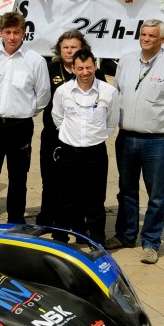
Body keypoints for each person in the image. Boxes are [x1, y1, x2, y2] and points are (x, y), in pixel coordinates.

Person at [107, 19, 164, 264]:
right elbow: (118, 94)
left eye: (152, 36)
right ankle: (125, 235)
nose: (146, 39)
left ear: (162, 39)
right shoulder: (125, 61)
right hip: (126, 138)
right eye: (143, 34)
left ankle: (151, 242)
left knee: (156, 194)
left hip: (158, 141)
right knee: (126, 190)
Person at [0, 12, 50, 224]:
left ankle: (16, 221)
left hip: (20, 128)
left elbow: (43, 94)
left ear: (24, 33)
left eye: (16, 32)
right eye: (7, 32)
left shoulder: (35, 61)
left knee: (18, 177)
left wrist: (26, 111)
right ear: (1, 33)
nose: (12, 37)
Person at [37, 30, 106, 230]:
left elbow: (104, 106)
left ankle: (78, 222)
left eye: (73, 47)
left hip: (82, 138)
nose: (69, 51)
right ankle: (47, 219)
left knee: (81, 183)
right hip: (53, 135)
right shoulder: (49, 69)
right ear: (59, 49)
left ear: (82, 48)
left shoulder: (94, 73)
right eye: (65, 47)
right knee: (50, 179)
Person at [51, 49, 118, 243]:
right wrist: (68, 135)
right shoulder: (63, 91)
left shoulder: (108, 91)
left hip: (95, 153)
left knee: (95, 201)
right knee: (65, 199)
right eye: (80, 68)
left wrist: (97, 137)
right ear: (73, 69)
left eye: (88, 67)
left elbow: (112, 121)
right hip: (69, 152)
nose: (85, 72)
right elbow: (57, 117)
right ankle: (59, 239)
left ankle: (97, 242)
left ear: (95, 66)